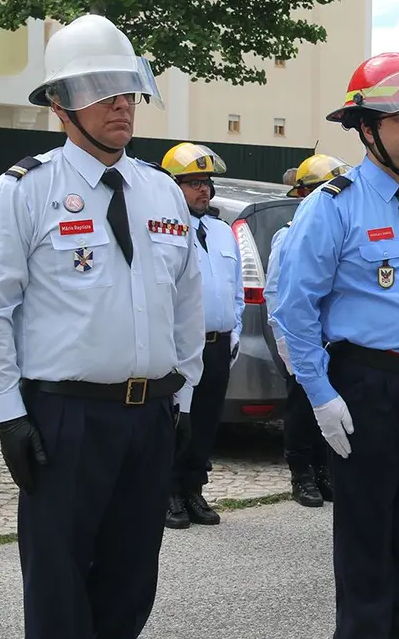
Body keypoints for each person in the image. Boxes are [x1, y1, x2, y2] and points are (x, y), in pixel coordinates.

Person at [0, 13, 204, 639]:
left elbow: (186, 303)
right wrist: (10, 416)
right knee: (58, 581)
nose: (121, 104)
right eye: (101, 89)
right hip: (64, 417)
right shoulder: (23, 191)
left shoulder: (161, 191)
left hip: (148, 416)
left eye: (127, 89)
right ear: (60, 103)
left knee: (131, 577)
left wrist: (182, 397)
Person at [271, 51, 399, 639]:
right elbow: (292, 309)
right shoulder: (332, 206)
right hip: (369, 388)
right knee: (366, 537)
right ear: (366, 128)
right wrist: (319, 393)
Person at [160, 142, 243, 529]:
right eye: (193, 183)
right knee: (178, 420)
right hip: (182, 346)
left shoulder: (223, 231)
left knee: (207, 420)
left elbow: (236, 287)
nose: (203, 191)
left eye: (206, 183)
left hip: (218, 343)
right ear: (173, 186)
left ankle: (193, 486)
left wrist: (236, 331)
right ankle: (168, 492)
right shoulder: (165, 231)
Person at [267, 153, 351, 507]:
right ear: (303, 194)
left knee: (330, 404)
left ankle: (324, 470)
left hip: (332, 340)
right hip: (302, 337)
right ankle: (301, 475)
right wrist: (286, 343)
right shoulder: (287, 238)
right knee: (301, 408)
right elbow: (276, 292)